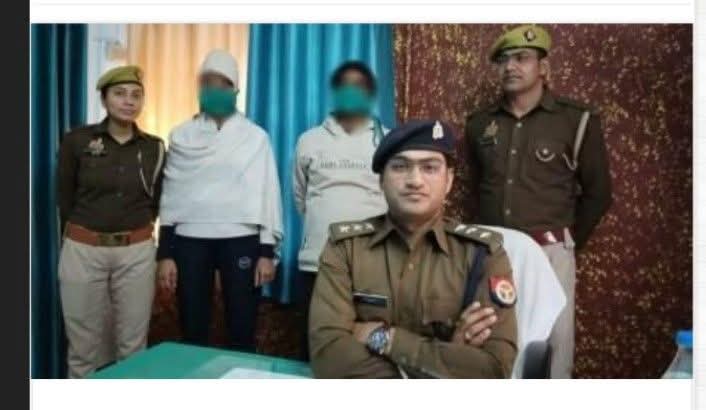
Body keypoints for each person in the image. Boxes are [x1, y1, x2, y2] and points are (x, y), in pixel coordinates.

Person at [308, 120, 518, 378]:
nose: (415, 181)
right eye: (400, 167)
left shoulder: (483, 254)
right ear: (381, 181)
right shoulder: (346, 248)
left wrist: (385, 338)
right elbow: (329, 357)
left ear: (449, 180)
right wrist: (446, 360)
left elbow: (494, 368)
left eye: (430, 168)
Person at [465, 24, 613, 378]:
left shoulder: (576, 120)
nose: (510, 67)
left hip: (550, 250)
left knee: (552, 344)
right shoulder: (480, 123)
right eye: (503, 60)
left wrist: (566, 241)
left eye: (522, 58)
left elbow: (598, 193)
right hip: (494, 252)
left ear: (543, 67)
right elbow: (475, 188)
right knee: (491, 337)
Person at [156, 50, 284, 352]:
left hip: (242, 239)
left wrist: (266, 252)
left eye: (222, 84)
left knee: (242, 327)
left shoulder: (256, 137)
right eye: (208, 84)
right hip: (189, 240)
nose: (215, 91)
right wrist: (165, 254)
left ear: (236, 89)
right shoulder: (181, 136)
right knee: (192, 328)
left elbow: (267, 194)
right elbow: (171, 196)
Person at [57, 65, 165, 378]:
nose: (129, 101)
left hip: (136, 253)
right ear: (104, 99)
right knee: (82, 349)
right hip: (83, 250)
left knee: (133, 346)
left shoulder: (154, 147)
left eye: (136, 95)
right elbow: (64, 196)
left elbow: (157, 200)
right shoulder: (77, 141)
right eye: (119, 94)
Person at [293, 61, 388, 360]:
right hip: (317, 263)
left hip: (371, 265)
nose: (351, 92)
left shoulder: (387, 140)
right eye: (344, 86)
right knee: (313, 350)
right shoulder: (309, 140)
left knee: (363, 353)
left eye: (359, 86)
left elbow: (393, 198)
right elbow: (301, 197)